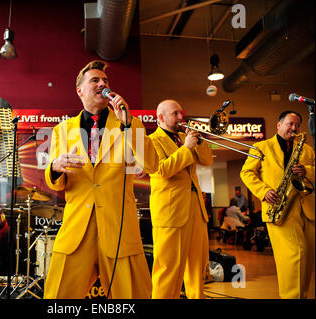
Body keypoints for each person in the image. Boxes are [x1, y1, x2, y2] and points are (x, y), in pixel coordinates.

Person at [43, 60, 158, 299]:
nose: (102, 84)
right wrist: (55, 167)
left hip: (119, 230)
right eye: (95, 80)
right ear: (80, 91)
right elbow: (55, 182)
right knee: (58, 297)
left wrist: (128, 123)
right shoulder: (61, 131)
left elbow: (151, 165)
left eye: (105, 81)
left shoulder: (129, 124)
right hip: (77, 232)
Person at [240, 110, 315, 299]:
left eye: (297, 125)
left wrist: (306, 170)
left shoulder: (306, 149)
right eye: (290, 124)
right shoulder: (261, 147)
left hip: (307, 209)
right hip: (279, 209)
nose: (294, 128)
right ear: (279, 125)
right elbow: (247, 173)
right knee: (294, 256)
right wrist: (263, 191)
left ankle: (302, 296)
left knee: (307, 259)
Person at [148, 99, 213, 299]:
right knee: (167, 269)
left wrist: (198, 141)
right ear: (161, 117)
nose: (181, 118)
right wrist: (186, 149)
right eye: (175, 114)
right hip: (170, 213)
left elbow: (207, 160)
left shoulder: (186, 137)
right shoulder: (151, 140)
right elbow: (162, 170)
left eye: (181, 113)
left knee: (197, 267)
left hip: (195, 210)